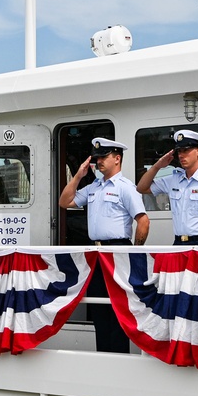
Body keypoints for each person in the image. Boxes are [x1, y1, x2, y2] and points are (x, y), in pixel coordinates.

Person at [59, 138, 148, 353]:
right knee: (99, 307)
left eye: (103, 157)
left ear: (117, 159)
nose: (98, 161)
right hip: (96, 253)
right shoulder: (93, 187)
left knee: (117, 308)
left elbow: (143, 221)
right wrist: (78, 176)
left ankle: (118, 358)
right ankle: (103, 356)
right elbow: (65, 202)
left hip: (117, 251)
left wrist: (133, 252)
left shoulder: (126, 187)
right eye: (97, 158)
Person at [136, 130, 198, 245]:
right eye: (179, 151)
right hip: (178, 243)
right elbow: (141, 188)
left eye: (186, 150)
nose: (181, 155)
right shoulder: (173, 180)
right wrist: (157, 166)